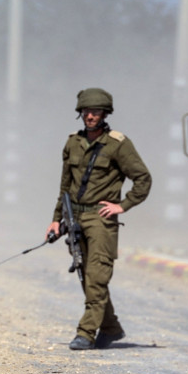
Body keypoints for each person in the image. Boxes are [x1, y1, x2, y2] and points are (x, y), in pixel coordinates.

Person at [45, 87, 152, 351]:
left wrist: (122, 206)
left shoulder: (118, 144)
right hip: (76, 217)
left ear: (105, 114)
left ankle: (86, 332)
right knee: (86, 275)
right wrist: (57, 220)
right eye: (86, 111)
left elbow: (143, 179)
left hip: (101, 219)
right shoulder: (72, 142)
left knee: (96, 277)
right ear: (80, 113)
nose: (90, 116)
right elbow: (65, 187)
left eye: (96, 112)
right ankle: (111, 328)